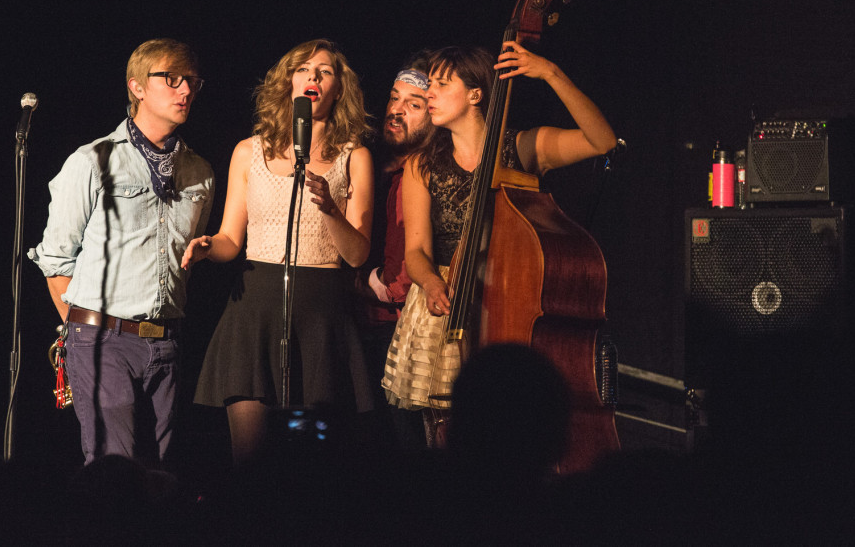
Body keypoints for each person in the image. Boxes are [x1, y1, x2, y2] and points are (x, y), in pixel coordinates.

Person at [382, 42, 616, 441]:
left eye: (440, 84)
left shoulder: (523, 147)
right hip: (446, 299)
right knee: (442, 429)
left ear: (475, 94)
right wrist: (431, 282)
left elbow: (602, 141)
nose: (429, 93)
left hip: (508, 300)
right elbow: (416, 251)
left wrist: (550, 74)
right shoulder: (421, 164)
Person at [182, 38, 375, 463]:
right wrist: (206, 248)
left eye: (324, 71)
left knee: (314, 464)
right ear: (288, 82)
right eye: (304, 69)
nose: (313, 77)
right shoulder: (248, 151)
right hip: (255, 310)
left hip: (322, 312)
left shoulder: (354, 156)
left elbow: (358, 254)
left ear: (338, 88)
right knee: (249, 460)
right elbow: (231, 240)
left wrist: (329, 209)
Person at [28, 38, 214, 468]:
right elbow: (55, 259)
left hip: (166, 341)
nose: (185, 89)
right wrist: (81, 335)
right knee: (115, 470)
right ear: (137, 86)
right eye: (171, 78)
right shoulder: (93, 161)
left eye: (191, 81)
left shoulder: (199, 172)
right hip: (102, 339)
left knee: (159, 470)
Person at [355, 60, 435, 449]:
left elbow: (409, 269)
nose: (396, 109)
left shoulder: (424, 173)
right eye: (393, 98)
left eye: (414, 104)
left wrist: (373, 286)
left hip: (398, 330)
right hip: (362, 327)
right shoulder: (371, 163)